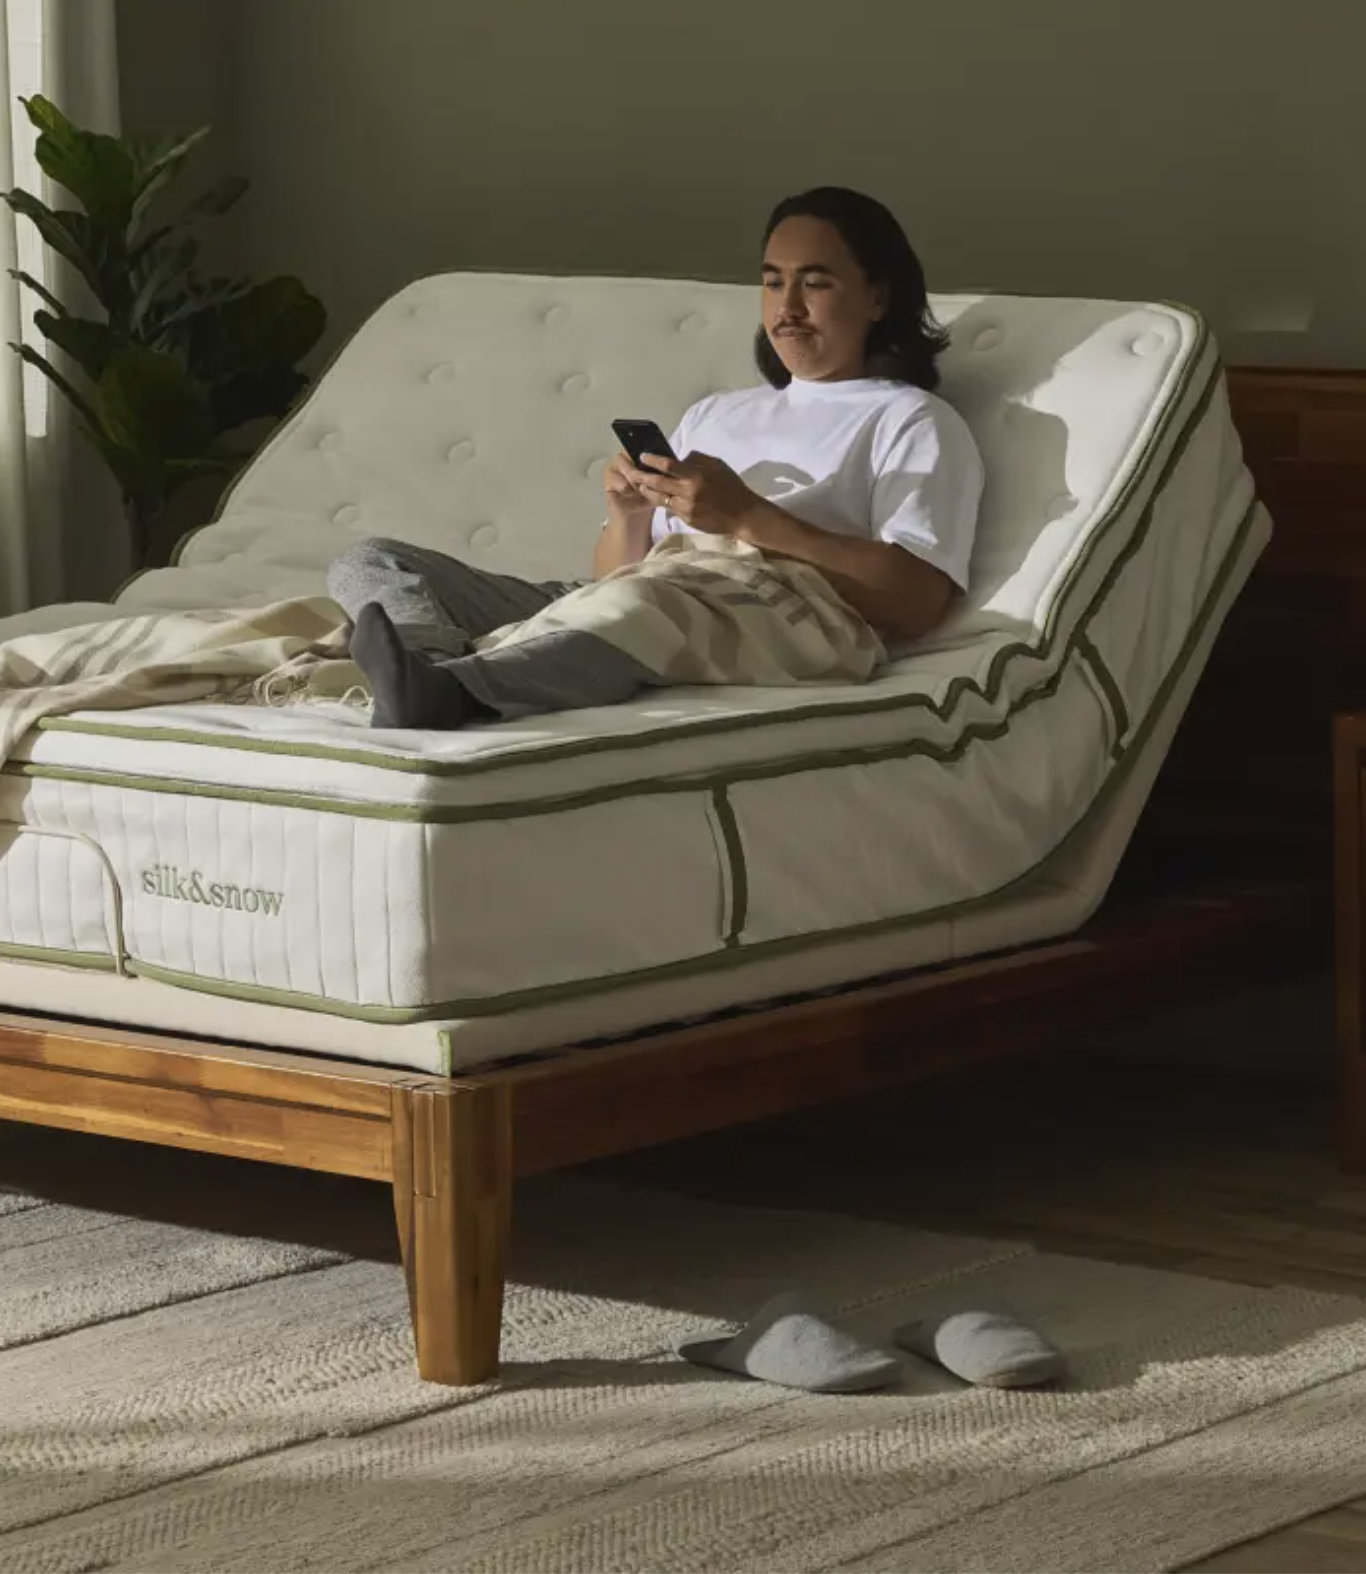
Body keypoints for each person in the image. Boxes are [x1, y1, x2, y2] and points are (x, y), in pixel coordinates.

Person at [327, 186, 985, 730]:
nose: (785, 309)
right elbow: (616, 577)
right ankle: (426, 665)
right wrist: (628, 518)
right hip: (657, 592)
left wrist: (748, 518)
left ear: (877, 296)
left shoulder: (912, 420)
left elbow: (917, 599)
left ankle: (455, 694)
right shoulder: (718, 413)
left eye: (814, 284)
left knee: (647, 610)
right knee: (372, 560)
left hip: (776, 611)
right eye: (772, 282)